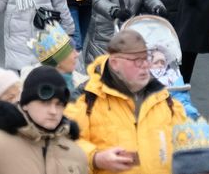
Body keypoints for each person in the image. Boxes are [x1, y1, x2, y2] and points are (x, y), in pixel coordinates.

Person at [66, 29, 186, 174]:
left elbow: (185, 149)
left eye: (147, 58)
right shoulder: (87, 99)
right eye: (136, 60)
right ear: (115, 63)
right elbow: (65, 145)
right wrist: (96, 158)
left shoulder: (164, 100)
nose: (145, 65)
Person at [0, 66, 87, 174]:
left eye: (59, 104)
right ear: (25, 104)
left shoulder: (76, 153)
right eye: (45, 103)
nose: (53, 111)